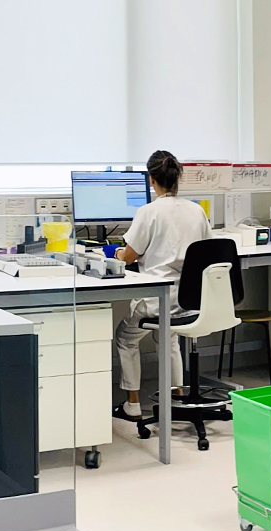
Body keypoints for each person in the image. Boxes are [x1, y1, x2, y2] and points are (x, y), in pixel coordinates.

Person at [111, 150, 212, 417]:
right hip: (188, 302)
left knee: (125, 338)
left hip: (155, 301)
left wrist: (118, 254)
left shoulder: (148, 211)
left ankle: (132, 405)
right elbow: (209, 251)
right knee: (169, 338)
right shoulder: (196, 210)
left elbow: (130, 255)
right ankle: (177, 396)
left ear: (151, 180)